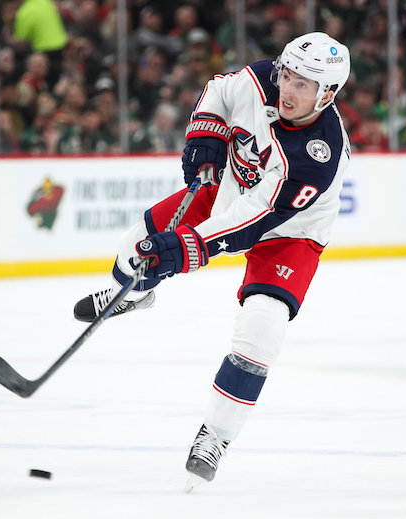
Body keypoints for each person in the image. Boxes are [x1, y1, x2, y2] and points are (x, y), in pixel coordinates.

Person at [72, 32, 351, 491]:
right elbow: (219, 89)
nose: (289, 89)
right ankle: (135, 295)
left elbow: (249, 223)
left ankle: (215, 437)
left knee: (262, 326)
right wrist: (206, 133)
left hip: (288, 233)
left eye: (305, 85)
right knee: (134, 244)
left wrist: (185, 249)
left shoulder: (316, 156)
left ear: (329, 93)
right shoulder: (263, 79)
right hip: (230, 191)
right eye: (288, 75)